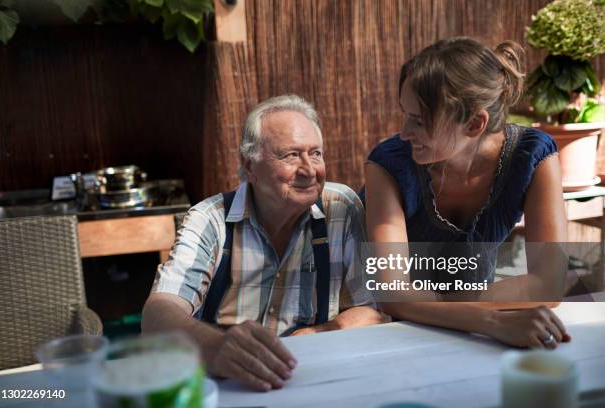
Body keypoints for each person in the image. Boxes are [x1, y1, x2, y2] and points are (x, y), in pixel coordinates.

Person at [142, 94, 384, 392]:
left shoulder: (341, 208)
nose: (310, 170)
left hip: (308, 380)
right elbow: (157, 316)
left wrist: (312, 336)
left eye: (316, 153)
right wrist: (216, 347)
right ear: (251, 166)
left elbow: (373, 310)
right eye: (291, 155)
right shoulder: (211, 220)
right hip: (225, 385)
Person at [364, 37, 571, 350]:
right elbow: (393, 293)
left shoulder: (533, 156)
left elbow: (549, 283)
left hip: (465, 335)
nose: (404, 131)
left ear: (475, 123)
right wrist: (492, 320)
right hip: (391, 330)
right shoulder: (388, 165)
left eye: (419, 120)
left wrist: (447, 305)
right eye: (405, 114)